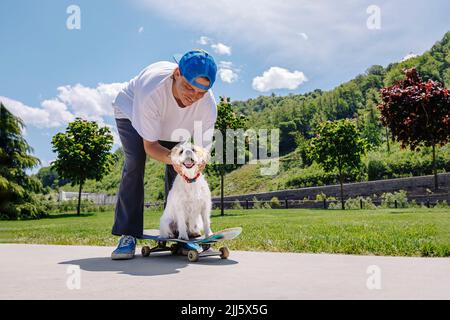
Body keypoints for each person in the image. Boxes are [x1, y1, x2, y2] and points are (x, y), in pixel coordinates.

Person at [110, 50, 218, 260]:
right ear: (177, 73)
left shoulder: (207, 106)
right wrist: (174, 160)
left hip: (175, 125)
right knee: (135, 163)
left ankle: (182, 231)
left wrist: (191, 168)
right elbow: (150, 146)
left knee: (181, 171)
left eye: (200, 93)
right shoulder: (153, 90)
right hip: (132, 113)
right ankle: (128, 234)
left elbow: (202, 153)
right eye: (188, 87)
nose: (193, 96)